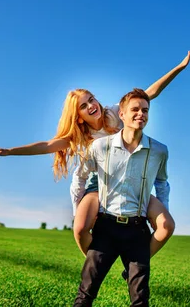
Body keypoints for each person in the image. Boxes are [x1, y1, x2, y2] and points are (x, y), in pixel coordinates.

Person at [0, 48, 190, 259]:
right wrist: (9, 151)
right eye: (84, 105)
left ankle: (135, 264)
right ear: (79, 116)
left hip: (132, 180)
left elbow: (150, 93)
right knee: (80, 228)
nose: (92, 105)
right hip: (99, 181)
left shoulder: (114, 113)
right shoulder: (80, 134)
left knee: (167, 225)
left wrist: (180, 67)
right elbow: (46, 145)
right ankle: (96, 263)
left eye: (91, 99)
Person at [74, 88, 167, 306]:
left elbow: (162, 182)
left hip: (137, 230)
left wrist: (163, 209)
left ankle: (131, 266)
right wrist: (78, 208)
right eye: (135, 109)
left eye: (145, 110)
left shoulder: (159, 151)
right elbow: (80, 177)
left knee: (140, 300)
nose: (140, 114)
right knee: (85, 295)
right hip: (106, 228)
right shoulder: (100, 146)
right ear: (121, 114)